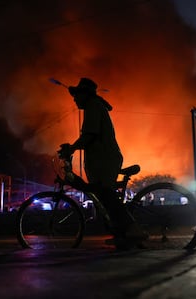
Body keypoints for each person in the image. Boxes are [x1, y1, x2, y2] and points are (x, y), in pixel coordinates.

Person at [59, 78, 144, 249]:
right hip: (102, 159)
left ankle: (134, 229)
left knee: (106, 194)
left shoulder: (93, 106)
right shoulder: (94, 106)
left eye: (77, 95)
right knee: (104, 197)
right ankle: (122, 235)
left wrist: (72, 148)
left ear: (85, 95)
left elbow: (90, 135)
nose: (74, 99)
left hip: (105, 159)